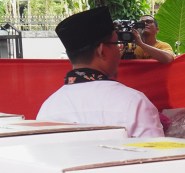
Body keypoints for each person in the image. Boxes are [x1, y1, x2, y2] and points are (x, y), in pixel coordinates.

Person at [37, 7, 164, 138]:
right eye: (116, 44)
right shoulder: (134, 103)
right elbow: (160, 156)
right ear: (101, 50)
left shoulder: (48, 108)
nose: (119, 50)